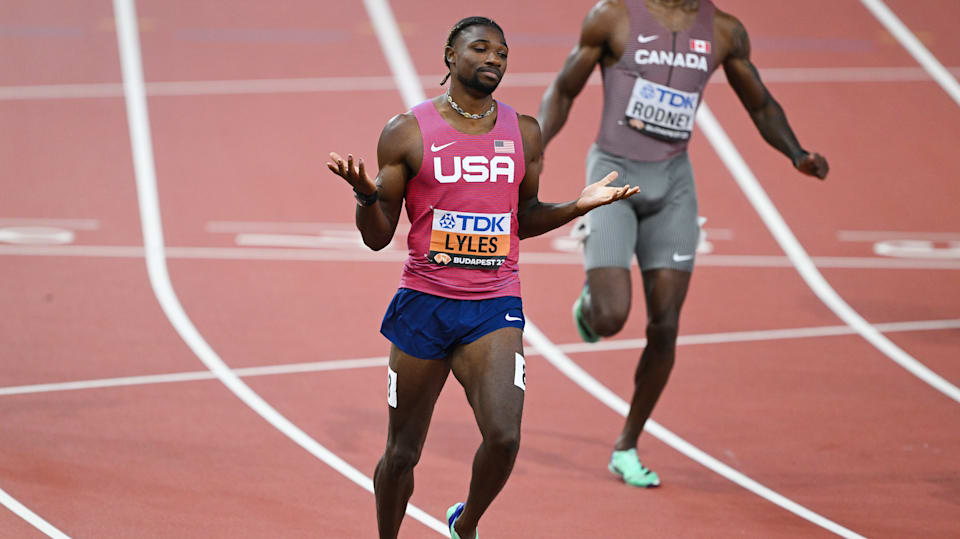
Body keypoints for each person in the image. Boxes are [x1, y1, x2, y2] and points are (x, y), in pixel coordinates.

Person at [327, 16, 638, 539]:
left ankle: (464, 525)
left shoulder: (525, 132)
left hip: (493, 305)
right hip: (424, 303)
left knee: (504, 438)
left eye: (502, 52)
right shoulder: (407, 130)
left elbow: (527, 215)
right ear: (450, 56)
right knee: (401, 454)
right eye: (481, 49)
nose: (494, 58)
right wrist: (365, 198)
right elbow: (378, 236)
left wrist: (576, 206)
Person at [538, 0, 829, 488]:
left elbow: (758, 102)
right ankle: (590, 306)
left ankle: (627, 444)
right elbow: (565, 90)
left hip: (673, 183)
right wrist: (535, 149)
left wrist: (795, 152)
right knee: (611, 318)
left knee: (666, 324)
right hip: (614, 174)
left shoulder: (725, 31)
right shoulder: (612, 18)